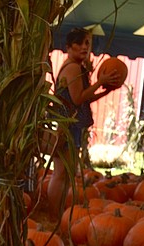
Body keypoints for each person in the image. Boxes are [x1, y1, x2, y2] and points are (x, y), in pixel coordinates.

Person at [46, 27, 120, 218]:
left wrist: (104, 91)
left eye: (87, 43)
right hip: (67, 127)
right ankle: (54, 214)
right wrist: (100, 81)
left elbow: (80, 100)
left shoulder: (76, 66)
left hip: (70, 125)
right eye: (79, 43)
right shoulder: (72, 67)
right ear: (69, 47)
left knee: (65, 173)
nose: (84, 47)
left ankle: (56, 213)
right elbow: (78, 99)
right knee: (61, 173)